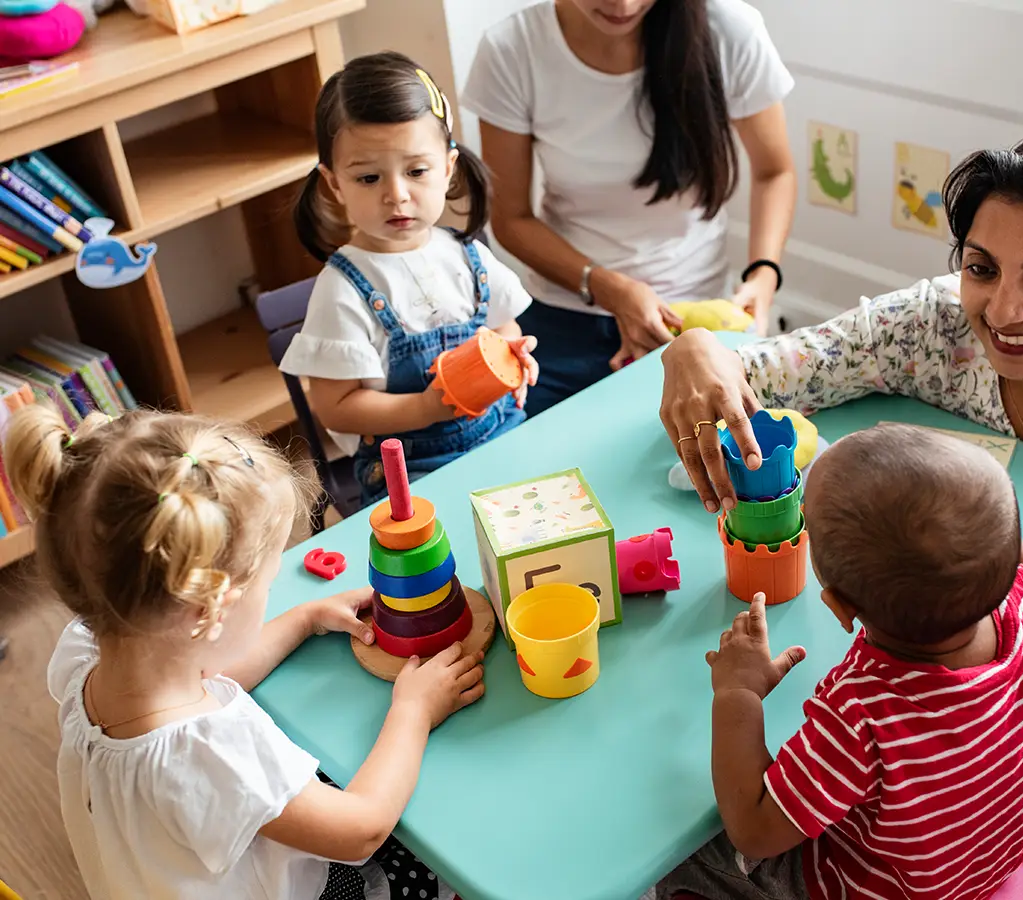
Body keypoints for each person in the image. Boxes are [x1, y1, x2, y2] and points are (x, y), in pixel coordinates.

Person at [659, 127, 1023, 898]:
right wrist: (695, 351)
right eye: (981, 268)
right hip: (1012, 659)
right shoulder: (938, 328)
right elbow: (765, 369)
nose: (1002, 309)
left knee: (700, 825)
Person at [6, 405, 484, 899]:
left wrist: (303, 619)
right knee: (434, 868)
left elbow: (206, 671)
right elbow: (360, 828)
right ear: (212, 611)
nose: (274, 592)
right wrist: (413, 710)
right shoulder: (212, 753)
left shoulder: (88, 653)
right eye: (270, 582)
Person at [656, 423, 1023, 900]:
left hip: (876, 890)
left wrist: (738, 693)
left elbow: (753, 828)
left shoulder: (862, 711)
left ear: (838, 607)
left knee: (688, 852)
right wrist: (979, 535)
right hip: (981, 869)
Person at [461, 0, 797, 415]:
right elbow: (510, 218)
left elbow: (774, 172)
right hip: (566, 317)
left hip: (693, 319)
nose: (622, 5)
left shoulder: (730, 31)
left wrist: (764, 275)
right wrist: (610, 289)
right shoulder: (513, 49)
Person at [282, 52, 538, 503]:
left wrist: (511, 357)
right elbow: (335, 408)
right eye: (367, 178)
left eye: (416, 171)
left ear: (447, 168)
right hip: (412, 470)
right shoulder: (343, 290)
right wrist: (424, 408)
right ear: (334, 184)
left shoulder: (466, 255)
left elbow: (502, 326)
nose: (396, 195)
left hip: (503, 433)